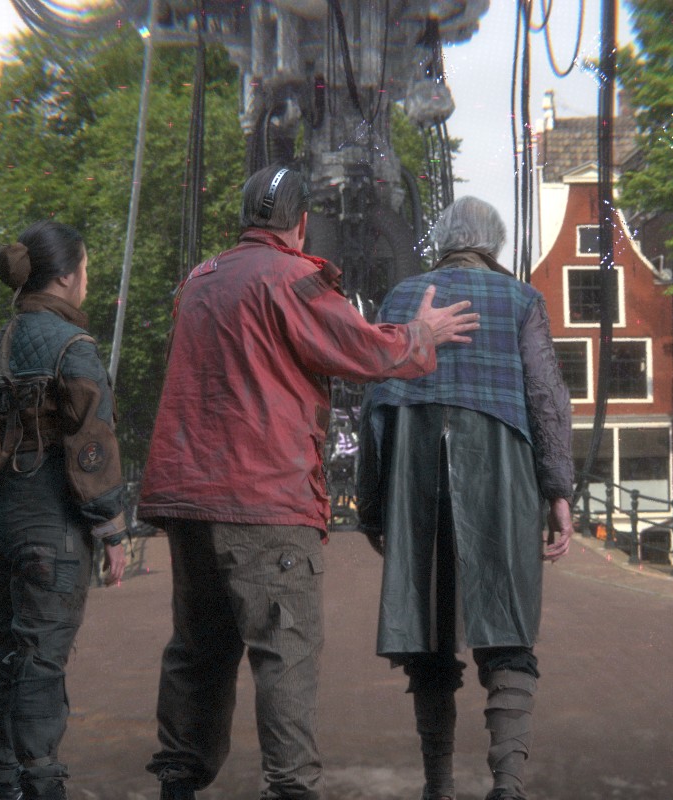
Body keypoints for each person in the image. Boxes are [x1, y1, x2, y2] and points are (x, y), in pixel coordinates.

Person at [138, 164, 482, 800]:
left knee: (197, 650)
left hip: (187, 498)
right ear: (301, 224)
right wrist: (422, 335)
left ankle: (178, 783)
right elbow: (359, 349)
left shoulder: (199, 280)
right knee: (285, 652)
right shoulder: (291, 278)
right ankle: (292, 788)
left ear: (246, 217)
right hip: (265, 499)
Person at [356, 197, 574, 800]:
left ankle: (438, 786)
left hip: (414, 474)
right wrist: (558, 490)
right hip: (502, 471)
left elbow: (375, 404)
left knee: (429, 628)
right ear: (493, 244)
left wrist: (372, 505)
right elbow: (546, 399)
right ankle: (508, 784)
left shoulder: (402, 298)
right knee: (508, 622)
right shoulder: (522, 300)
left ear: (443, 241)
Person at [0, 220, 130, 800]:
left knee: (5, 650)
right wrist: (113, 530)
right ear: (63, 277)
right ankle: (40, 784)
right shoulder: (73, 348)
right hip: (50, 523)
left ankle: (2, 781)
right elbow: (91, 445)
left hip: (0, 518)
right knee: (41, 660)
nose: (87, 280)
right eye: (84, 269)